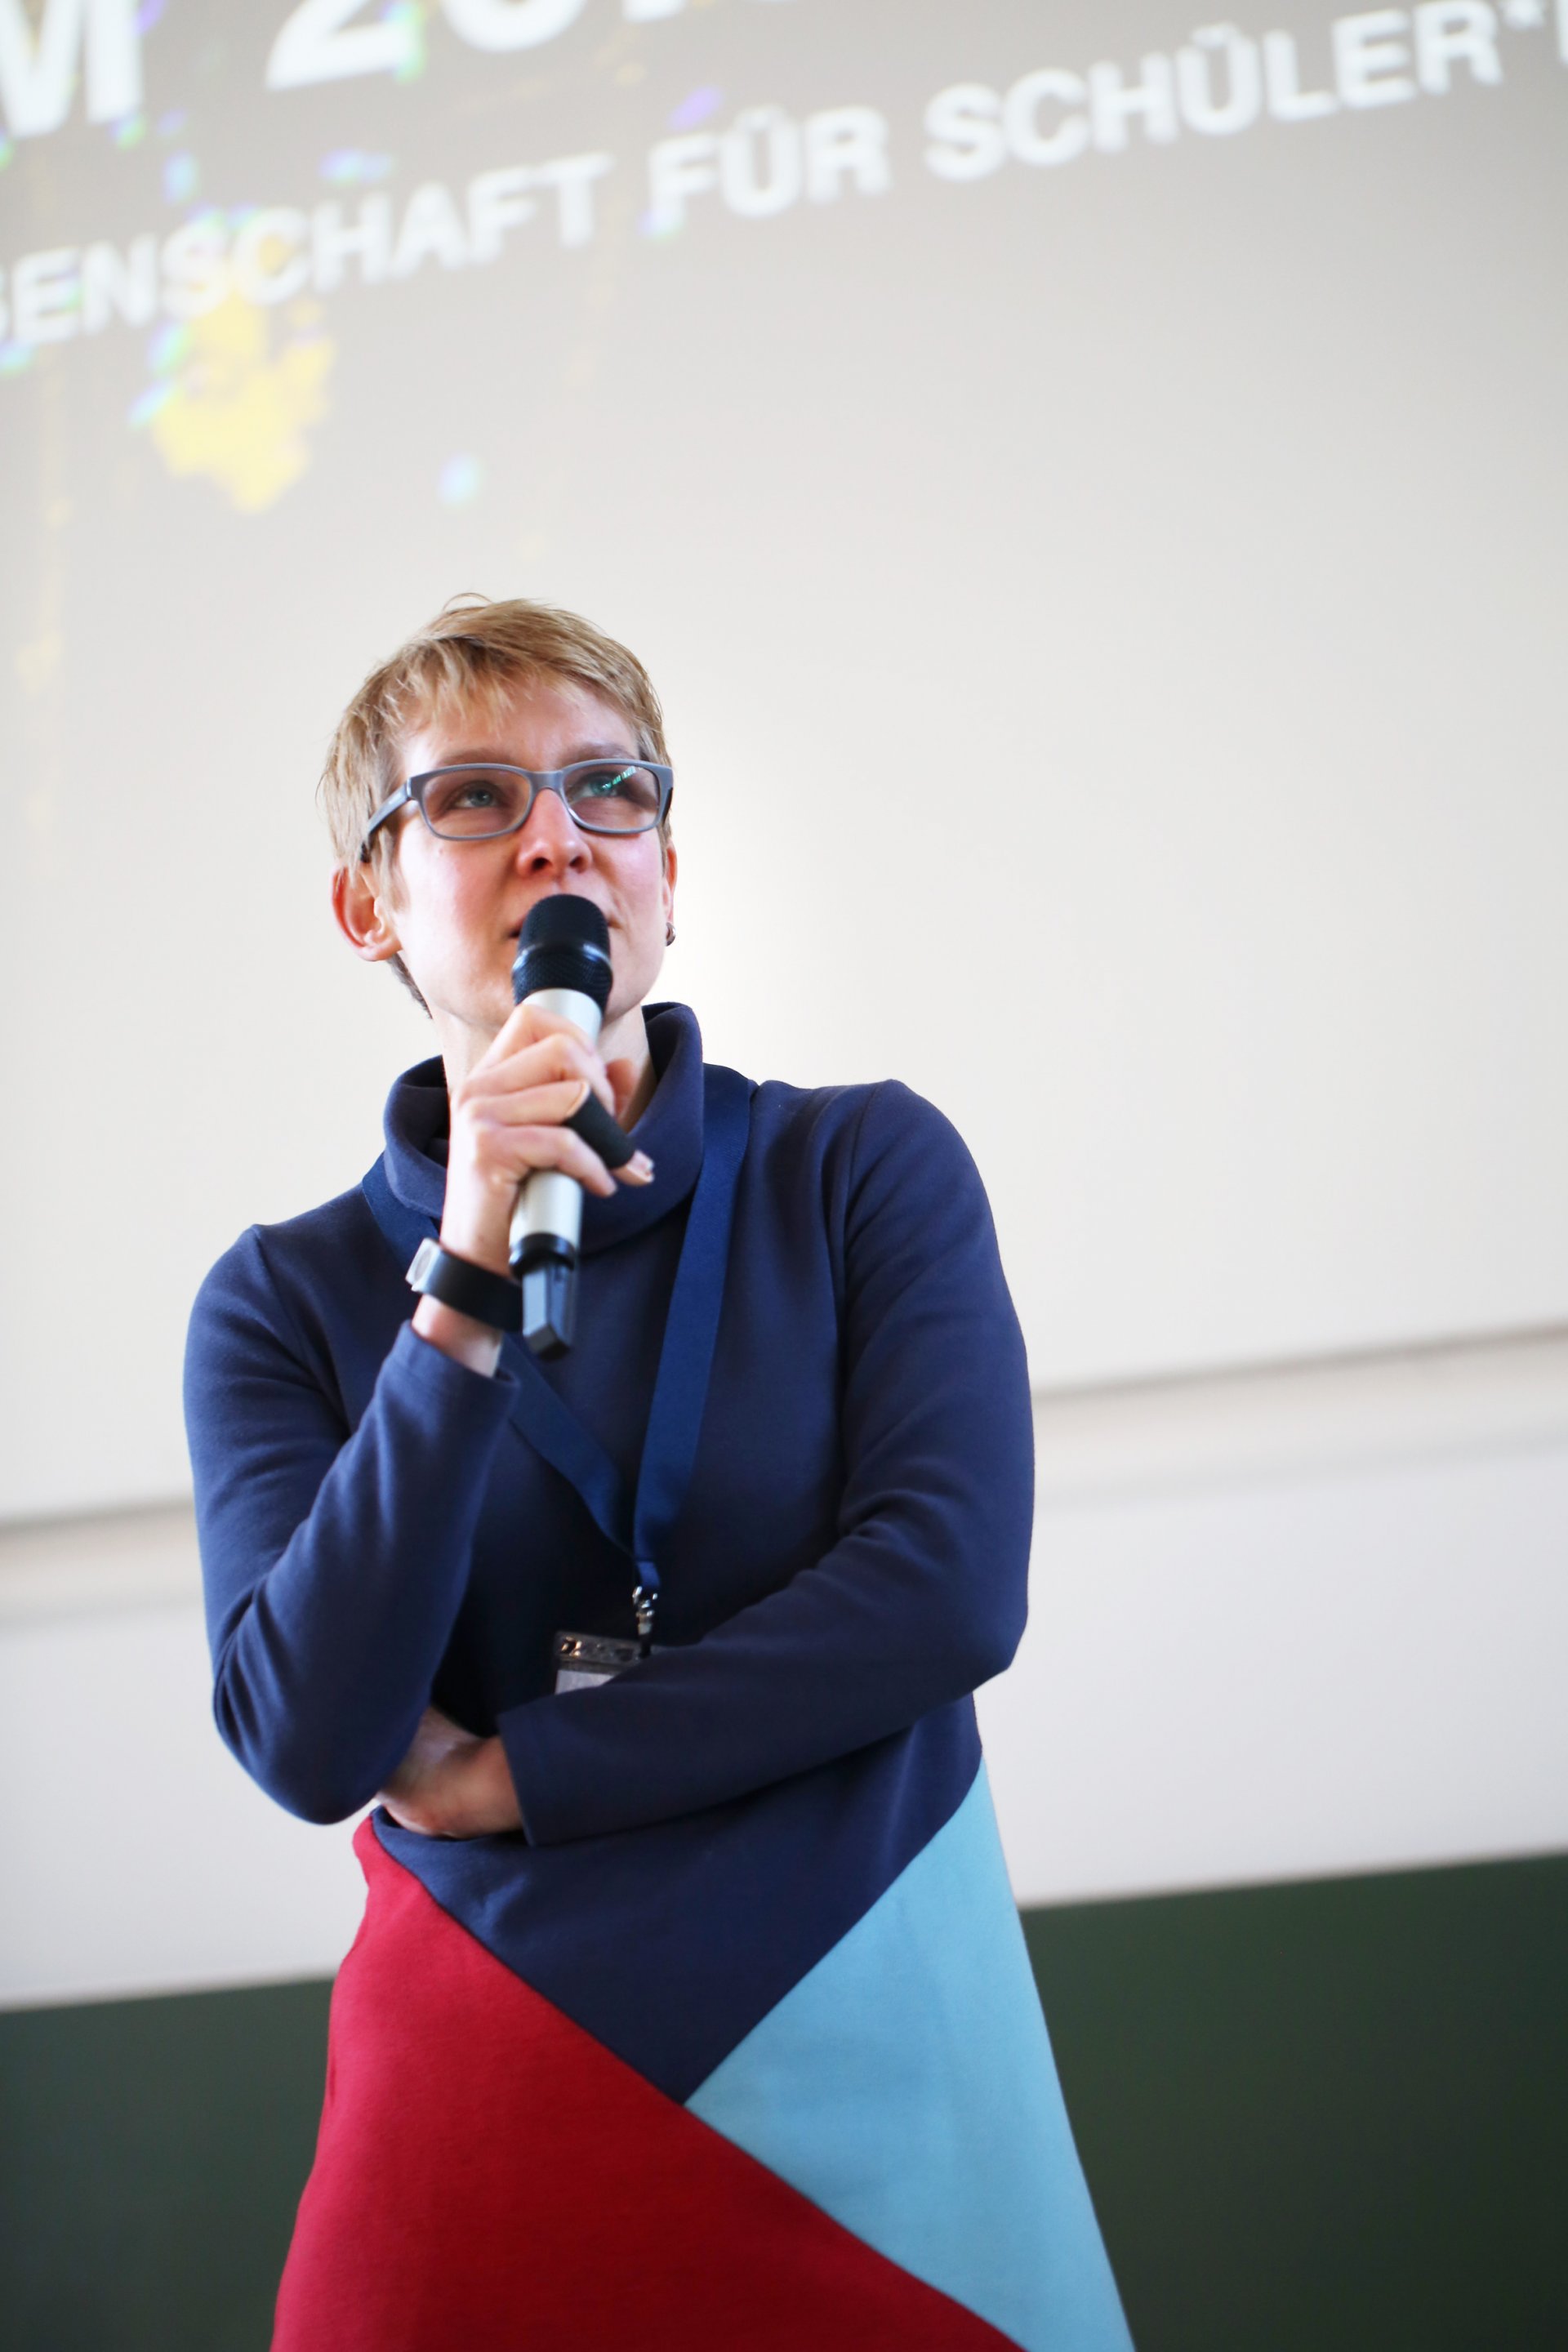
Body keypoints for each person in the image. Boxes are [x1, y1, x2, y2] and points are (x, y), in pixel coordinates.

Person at [185, 598, 1134, 2352]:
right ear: (366, 902)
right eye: (471, 797)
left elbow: (943, 1590)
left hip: (882, 2088)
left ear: (668, 878)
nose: (554, 833)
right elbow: (311, 1738)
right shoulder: (284, 1298)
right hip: (484, 2097)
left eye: (607, 789)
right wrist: (462, 1282)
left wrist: (521, 1775)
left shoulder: (859, 1170)